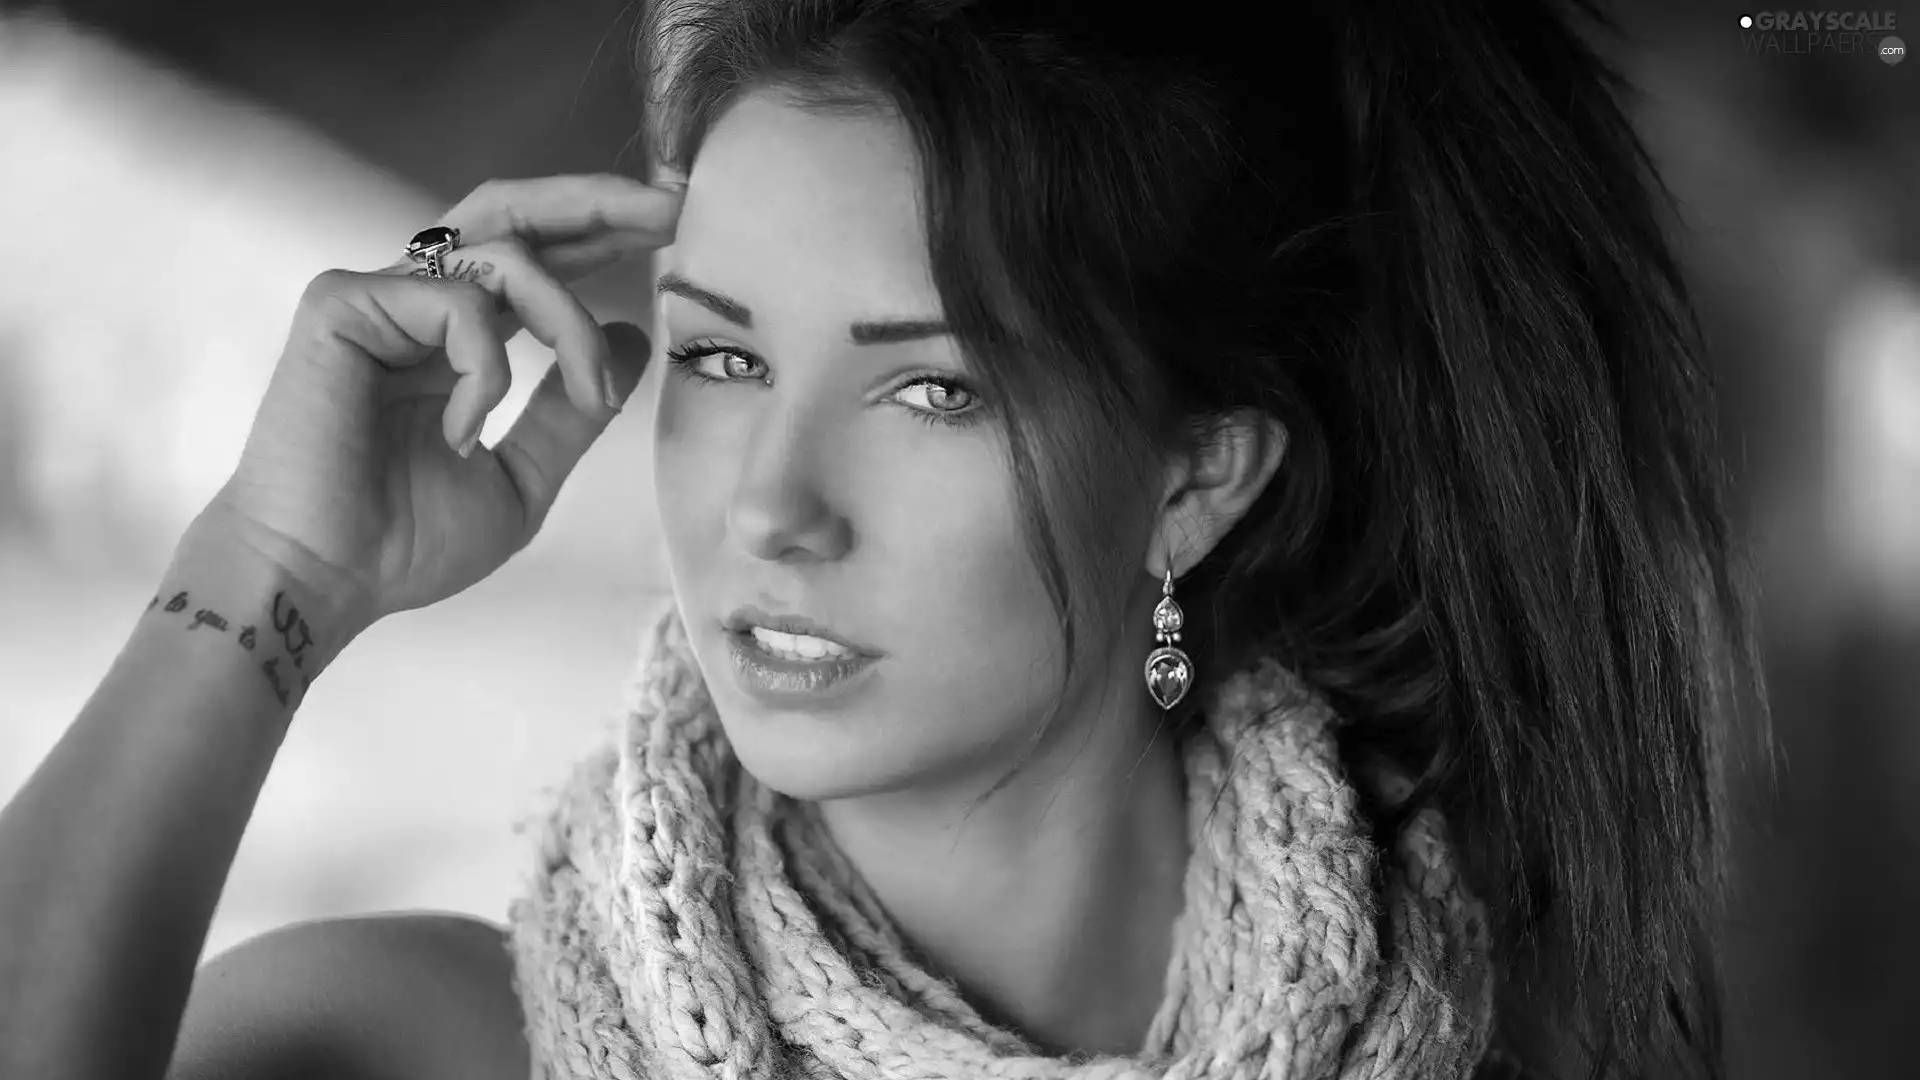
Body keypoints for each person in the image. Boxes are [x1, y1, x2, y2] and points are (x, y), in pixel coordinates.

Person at [0, 0, 1770, 1078]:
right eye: (720, 354)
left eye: (933, 392)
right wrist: (272, 565)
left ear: (1195, 480)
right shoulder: (430, 1045)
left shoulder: (1497, 1034)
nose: (771, 505)